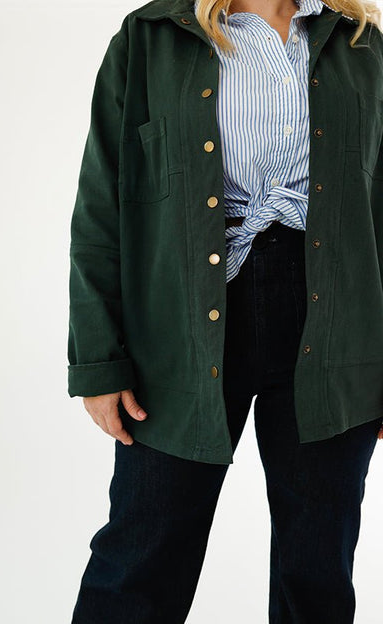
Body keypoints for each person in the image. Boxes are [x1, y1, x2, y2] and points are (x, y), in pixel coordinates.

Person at [67, 0, 383, 621]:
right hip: (181, 324)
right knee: (140, 556)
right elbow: (101, 203)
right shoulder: (150, 37)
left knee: (317, 570)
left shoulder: (361, 44)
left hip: (339, 325)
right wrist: (99, 360)